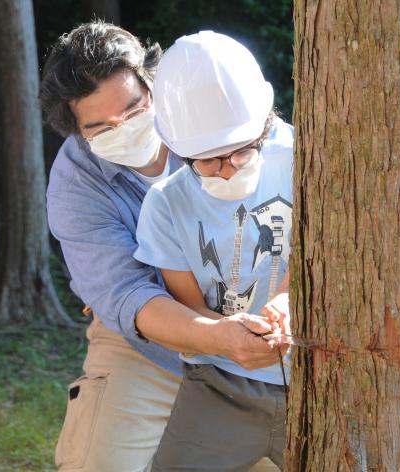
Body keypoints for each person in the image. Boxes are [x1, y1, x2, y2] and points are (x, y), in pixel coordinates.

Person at [40, 22, 284, 471]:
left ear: (156, 86)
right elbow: (126, 296)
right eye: (102, 128)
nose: (125, 129)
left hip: (262, 334)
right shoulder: (76, 185)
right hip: (147, 347)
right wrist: (215, 338)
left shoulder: (209, 110)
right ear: (76, 132)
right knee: (98, 463)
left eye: (134, 111)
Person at [134, 31, 294, 470]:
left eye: (241, 151)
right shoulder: (166, 205)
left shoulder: (302, 155)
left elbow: (323, 250)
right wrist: (230, 337)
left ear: (264, 123)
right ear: (182, 152)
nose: (227, 170)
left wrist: (285, 301)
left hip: (318, 379)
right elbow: (190, 310)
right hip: (220, 383)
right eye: (208, 160)